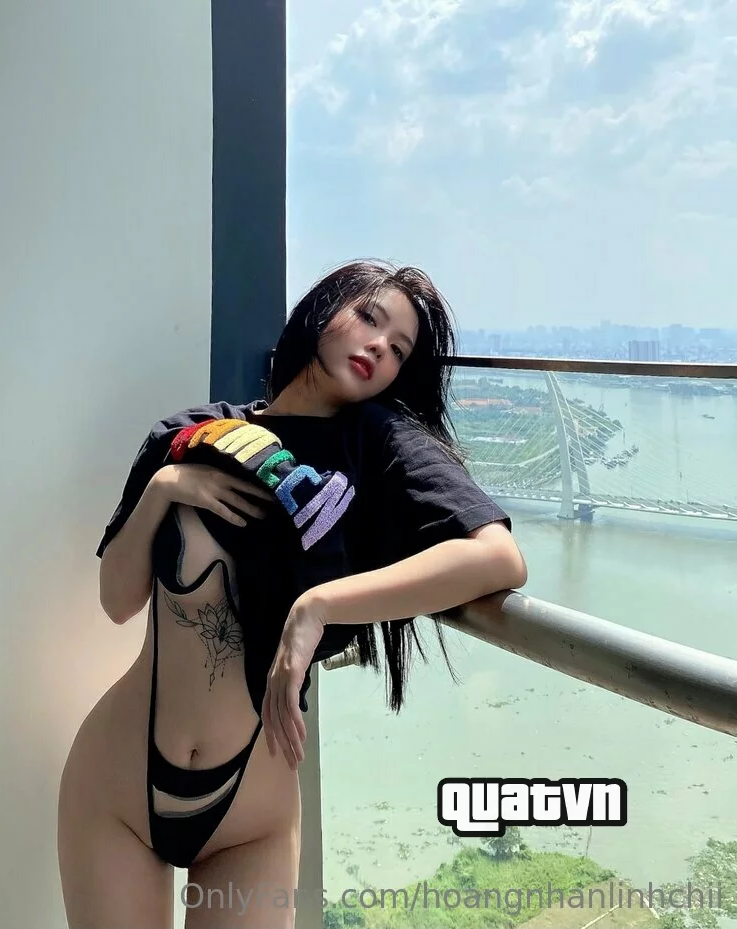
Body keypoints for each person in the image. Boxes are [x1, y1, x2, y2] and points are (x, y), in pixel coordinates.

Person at [57, 259, 528, 929]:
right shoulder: (189, 435)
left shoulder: (377, 444)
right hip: (117, 783)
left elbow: (498, 557)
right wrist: (163, 491)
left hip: (252, 812)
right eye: (369, 318)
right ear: (323, 309)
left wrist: (319, 606)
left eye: (399, 350)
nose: (379, 348)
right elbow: (116, 600)